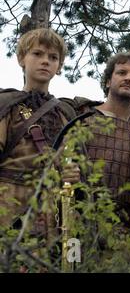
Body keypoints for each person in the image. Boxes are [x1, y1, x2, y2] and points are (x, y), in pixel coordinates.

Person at [65, 51, 130, 232]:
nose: (128, 78)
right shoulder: (79, 115)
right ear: (108, 81)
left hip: (126, 231)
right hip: (78, 222)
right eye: (122, 72)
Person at [0, 28, 77, 247]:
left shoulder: (66, 113)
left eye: (53, 57)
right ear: (21, 59)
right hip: (8, 202)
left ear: (59, 66)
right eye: (37, 54)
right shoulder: (5, 103)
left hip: (50, 213)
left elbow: (72, 164)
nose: (45, 61)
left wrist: (72, 174)